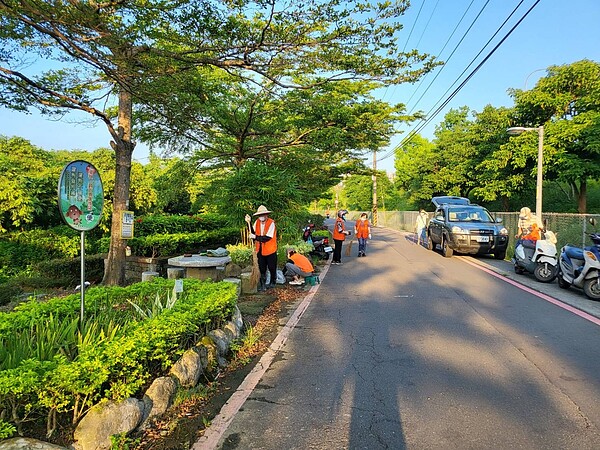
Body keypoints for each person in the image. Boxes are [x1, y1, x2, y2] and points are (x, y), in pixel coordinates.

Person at [245, 205, 277, 291]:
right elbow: (252, 231)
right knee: (261, 268)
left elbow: (267, 238)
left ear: (266, 215)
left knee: (271, 267)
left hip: (270, 249)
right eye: (260, 215)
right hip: (260, 249)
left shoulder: (271, 223)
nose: (261, 217)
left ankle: (272, 282)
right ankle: (262, 284)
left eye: (263, 215)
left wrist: (255, 237)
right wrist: (249, 222)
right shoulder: (257, 222)